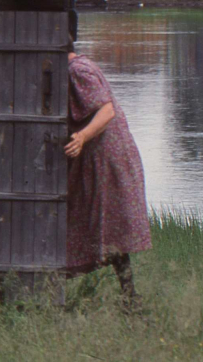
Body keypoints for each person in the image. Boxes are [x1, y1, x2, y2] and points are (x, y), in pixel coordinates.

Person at [65, 38, 151, 305]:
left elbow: (106, 110)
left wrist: (80, 137)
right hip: (104, 156)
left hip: (105, 158)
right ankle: (129, 296)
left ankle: (129, 297)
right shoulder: (81, 65)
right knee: (104, 226)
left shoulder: (77, 70)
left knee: (105, 224)